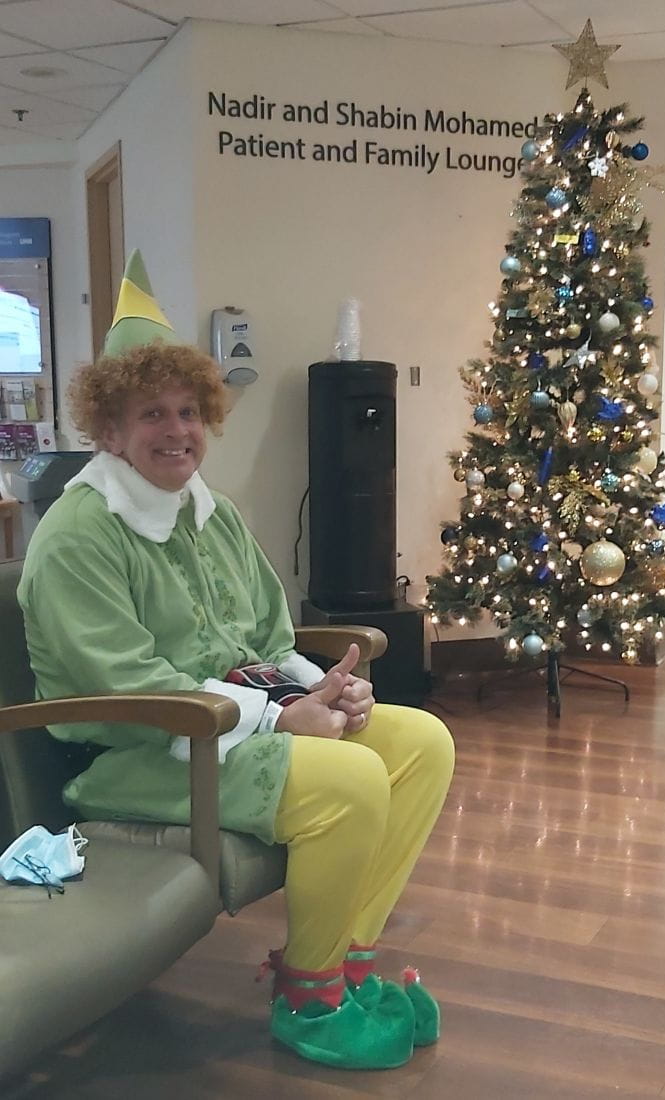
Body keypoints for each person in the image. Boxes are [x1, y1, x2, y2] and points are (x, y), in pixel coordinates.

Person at [18, 251, 455, 1071]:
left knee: (422, 743)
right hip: (136, 756)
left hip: (233, 729)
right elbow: (128, 687)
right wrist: (286, 720)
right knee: (351, 781)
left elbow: (266, 635)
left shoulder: (210, 513)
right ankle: (311, 996)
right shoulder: (76, 536)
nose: (177, 431)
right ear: (107, 430)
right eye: (151, 414)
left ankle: (349, 963)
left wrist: (325, 691)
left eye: (188, 410)